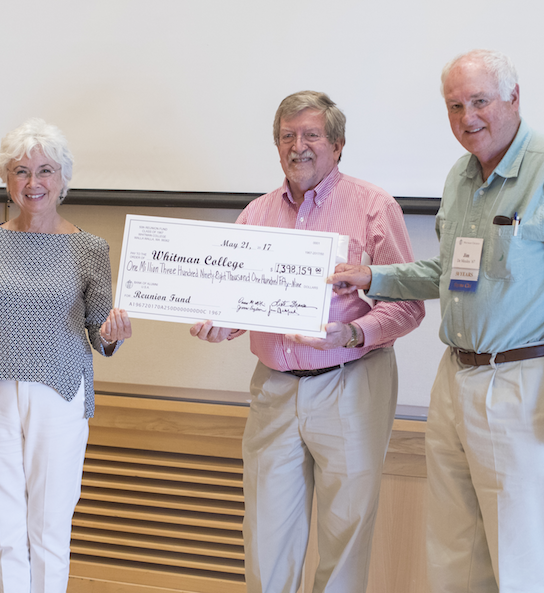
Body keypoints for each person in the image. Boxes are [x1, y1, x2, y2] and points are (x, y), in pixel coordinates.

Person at [330, 49, 544, 592]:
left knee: (520, 561)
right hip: (455, 380)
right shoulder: (461, 176)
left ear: (514, 98)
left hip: (526, 385)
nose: (467, 117)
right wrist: (372, 277)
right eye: (454, 106)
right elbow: (449, 272)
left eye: (479, 101)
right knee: (453, 552)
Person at [190, 91, 425, 593]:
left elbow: (408, 305)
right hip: (274, 389)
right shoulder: (255, 215)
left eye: (311, 135)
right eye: (287, 136)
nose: (298, 146)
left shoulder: (374, 208)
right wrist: (219, 325)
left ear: (338, 145)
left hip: (352, 384)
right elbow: (239, 305)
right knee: (266, 540)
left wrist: (354, 333)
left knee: (344, 539)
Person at [0, 117, 132, 593]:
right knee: (5, 527)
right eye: (21, 171)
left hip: (61, 395)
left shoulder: (90, 249)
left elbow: (98, 332)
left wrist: (114, 335)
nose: (34, 183)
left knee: (49, 527)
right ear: (7, 180)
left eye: (45, 170)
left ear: (63, 179)